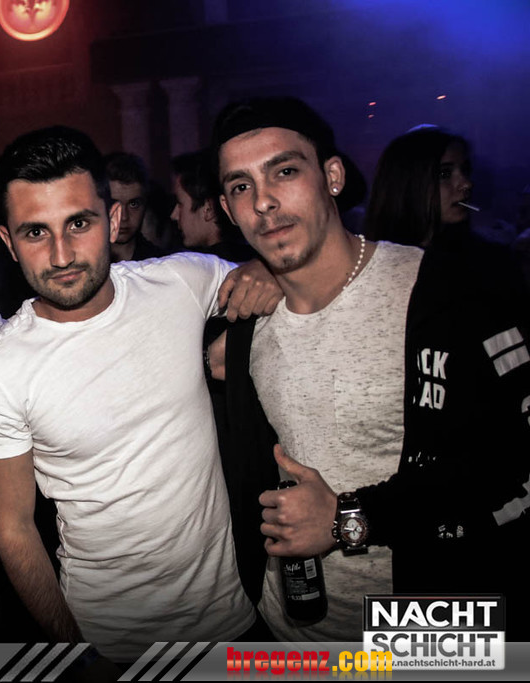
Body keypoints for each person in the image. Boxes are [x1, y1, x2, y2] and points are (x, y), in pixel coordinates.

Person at [215, 96, 529, 642]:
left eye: (285, 171)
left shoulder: (450, 293)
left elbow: (511, 459)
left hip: (429, 638)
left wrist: (347, 519)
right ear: (227, 209)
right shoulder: (246, 326)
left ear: (332, 177)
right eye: (242, 186)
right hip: (287, 631)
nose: (263, 201)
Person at [0, 126, 282, 663]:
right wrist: (77, 656)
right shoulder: (0, 371)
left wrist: (266, 268)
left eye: (79, 223)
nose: (61, 254)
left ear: (112, 220)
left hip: (236, 621)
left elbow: (285, 279)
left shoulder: (182, 282)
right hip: (113, 643)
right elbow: (13, 530)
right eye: (36, 232)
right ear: (8, 243)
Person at [103, 152, 168, 262]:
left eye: (133, 204)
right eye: (113, 204)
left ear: (145, 206)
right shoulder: (81, 261)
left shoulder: (159, 264)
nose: (124, 217)